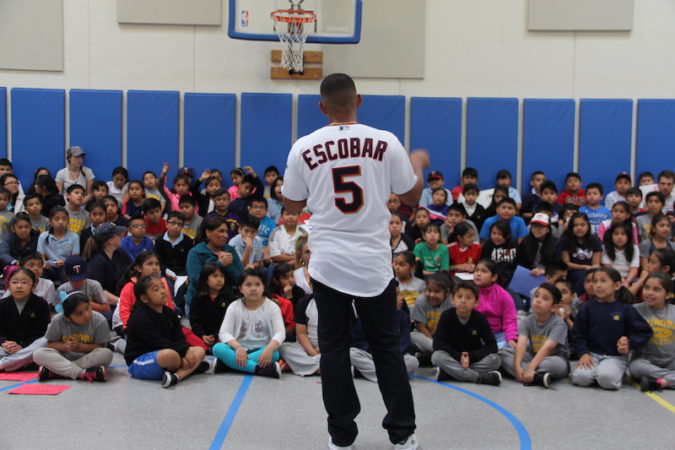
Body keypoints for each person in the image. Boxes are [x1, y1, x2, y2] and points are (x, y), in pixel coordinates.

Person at [281, 73, 426, 450]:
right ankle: (403, 433)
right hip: (373, 264)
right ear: (358, 100)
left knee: (333, 350)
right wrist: (417, 164)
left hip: (328, 264)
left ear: (321, 106)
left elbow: (292, 204)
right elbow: (411, 197)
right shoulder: (385, 141)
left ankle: (341, 437)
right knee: (386, 349)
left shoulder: (303, 146)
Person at [571, 268, 652, 390]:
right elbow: (578, 334)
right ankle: (600, 371)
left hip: (615, 356)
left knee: (606, 379)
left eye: (603, 281)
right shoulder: (587, 307)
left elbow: (645, 331)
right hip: (592, 355)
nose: (597, 285)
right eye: (595, 281)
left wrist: (630, 343)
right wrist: (583, 353)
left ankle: (614, 372)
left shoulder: (626, 309)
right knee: (580, 378)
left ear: (617, 285)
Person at [124, 274, 207, 388]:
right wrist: (183, 353)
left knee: (199, 350)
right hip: (140, 360)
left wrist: (185, 351)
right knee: (170, 355)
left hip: (168, 352)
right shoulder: (140, 317)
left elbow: (179, 336)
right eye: (156, 289)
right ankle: (191, 368)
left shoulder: (169, 313)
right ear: (144, 298)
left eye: (163, 287)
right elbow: (159, 343)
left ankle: (177, 376)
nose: (163, 291)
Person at [212, 269, 285, 378]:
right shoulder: (234, 306)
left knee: (274, 353)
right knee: (217, 348)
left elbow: (280, 333)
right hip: (238, 349)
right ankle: (258, 369)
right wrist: (238, 347)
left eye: (257, 284)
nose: (253, 288)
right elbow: (224, 333)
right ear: (241, 288)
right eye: (248, 285)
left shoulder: (272, 307)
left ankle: (228, 364)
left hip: (262, 349)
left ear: (263, 287)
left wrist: (269, 349)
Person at [499, 283, 570, 388]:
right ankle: (536, 377)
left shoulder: (559, 323)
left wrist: (530, 367)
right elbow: (521, 345)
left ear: (554, 308)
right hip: (532, 356)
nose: (538, 300)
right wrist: (517, 366)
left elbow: (547, 348)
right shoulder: (527, 321)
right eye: (536, 296)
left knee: (551, 364)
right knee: (502, 353)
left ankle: (527, 373)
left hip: (554, 358)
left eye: (545, 298)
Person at [432, 281, 502, 386]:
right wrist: (458, 356)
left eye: (468, 298)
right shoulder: (446, 316)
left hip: (472, 358)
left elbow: (492, 346)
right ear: (452, 299)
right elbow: (437, 343)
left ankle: (450, 374)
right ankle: (479, 377)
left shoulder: (480, 318)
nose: (463, 301)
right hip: (453, 356)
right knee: (436, 357)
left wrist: (471, 357)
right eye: (459, 297)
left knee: (495, 360)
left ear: (476, 302)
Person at [33, 292, 112, 382]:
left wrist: (80, 347)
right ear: (67, 317)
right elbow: (50, 344)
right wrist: (65, 347)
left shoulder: (100, 320)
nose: (86, 315)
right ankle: (81, 373)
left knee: (106, 354)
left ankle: (57, 371)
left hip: (86, 357)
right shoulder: (58, 320)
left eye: (88, 308)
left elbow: (100, 346)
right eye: (79, 313)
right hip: (63, 356)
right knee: (38, 354)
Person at [350, 285, 419, 381]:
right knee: (352, 353)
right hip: (371, 355)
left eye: (400, 294)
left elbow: (404, 343)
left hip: (393, 356)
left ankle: (362, 372)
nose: (401, 298)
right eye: (397, 295)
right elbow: (358, 341)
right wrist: (373, 350)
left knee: (413, 362)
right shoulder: (368, 315)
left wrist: (391, 354)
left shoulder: (403, 317)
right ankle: (390, 375)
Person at [630, 273, 675, 391]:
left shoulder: (673, 312)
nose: (649, 293)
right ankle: (670, 379)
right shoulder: (634, 310)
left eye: (656, 289)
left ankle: (662, 382)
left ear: (668, 294)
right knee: (635, 367)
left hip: (670, 359)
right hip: (644, 359)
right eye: (646, 288)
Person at [185, 216, 244, 306]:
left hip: (226, 301)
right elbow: (196, 281)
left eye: (226, 231)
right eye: (221, 231)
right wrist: (219, 264)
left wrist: (229, 265)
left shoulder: (230, 251)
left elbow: (240, 280)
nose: (225, 235)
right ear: (208, 232)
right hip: (199, 302)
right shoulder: (196, 252)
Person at [0, 267, 49, 371]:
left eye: (24, 282)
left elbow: (40, 333)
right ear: (8, 285)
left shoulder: (41, 304)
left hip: (28, 347)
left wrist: (21, 346)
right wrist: (4, 343)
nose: (19, 286)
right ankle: (19, 362)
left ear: (33, 286)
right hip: (6, 349)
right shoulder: (2, 304)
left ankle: (4, 363)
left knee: (45, 341)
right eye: (14, 282)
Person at [189, 263, 236, 351]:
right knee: (187, 335)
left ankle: (213, 348)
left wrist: (215, 335)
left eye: (222, 276)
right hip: (202, 335)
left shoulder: (229, 298)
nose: (219, 280)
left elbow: (227, 322)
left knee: (230, 340)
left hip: (221, 334)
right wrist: (202, 335)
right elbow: (194, 321)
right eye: (215, 276)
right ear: (205, 279)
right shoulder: (197, 298)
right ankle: (207, 348)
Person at [472, 259, 518, 349]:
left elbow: (510, 320)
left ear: (494, 277)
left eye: (483, 271)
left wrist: (511, 338)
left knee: (520, 343)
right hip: (474, 333)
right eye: (476, 270)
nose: (478, 274)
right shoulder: (469, 292)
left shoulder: (503, 295)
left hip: (497, 335)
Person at [84, 222, 132, 307]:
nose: (121, 236)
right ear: (110, 240)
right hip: (108, 304)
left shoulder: (120, 253)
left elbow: (132, 270)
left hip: (125, 296)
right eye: (118, 235)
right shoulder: (96, 263)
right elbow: (99, 291)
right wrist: (121, 302)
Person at [410, 272, 453, 357]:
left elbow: (451, 327)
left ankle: (430, 355)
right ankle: (440, 351)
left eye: (437, 291)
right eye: (429, 290)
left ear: (447, 292)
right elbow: (421, 326)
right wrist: (433, 342)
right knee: (412, 336)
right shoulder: (421, 301)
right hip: (426, 337)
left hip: (444, 338)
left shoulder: (451, 302)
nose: (432, 295)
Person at [558, 212, 602, 295]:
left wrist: (591, 269)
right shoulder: (565, 240)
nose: (579, 228)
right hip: (572, 271)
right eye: (576, 225)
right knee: (582, 276)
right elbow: (566, 264)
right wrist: (584, 267)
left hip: (592, 271)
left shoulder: (595, 240)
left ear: (588, 226)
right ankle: (578, 299)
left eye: (582, 225)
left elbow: (596, 264)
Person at [280, 293, 321, 376]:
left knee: (346, 352)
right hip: (306, 346)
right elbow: (301, 333)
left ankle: (302, 365)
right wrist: (313, 353)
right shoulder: (304, 302)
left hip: (329, 346)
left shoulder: (339, 303)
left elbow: (339, 333)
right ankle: (321, 368)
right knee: (284, 347)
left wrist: (321, 348)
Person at [37, 207, 80, 282]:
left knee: (65, 271)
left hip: (67, 265)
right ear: (50, 221)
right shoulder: (43, 236)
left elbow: (75, 257)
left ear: (68, 221)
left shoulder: (74, 237)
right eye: (57, 219)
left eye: (64, 219)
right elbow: (41, 256)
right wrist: (45, 263)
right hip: (49, 266)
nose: (60, 222)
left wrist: (65, 263)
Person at [154, 211, 194, 277]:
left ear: (183, 226)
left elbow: (189, 261)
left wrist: (185, 275)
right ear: (166, 224)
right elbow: (158, 260)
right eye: (173, 223)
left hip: (183, 274)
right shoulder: (160, 240)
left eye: (179, 224)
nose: (176, 226)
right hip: (165, 273)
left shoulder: (188, 241)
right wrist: (165, 271)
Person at [601, 222, 639, 287]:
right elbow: (608, 268)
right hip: (611, 276)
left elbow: (634, 269)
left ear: (628, 236)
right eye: (616, 234)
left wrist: (627, 281)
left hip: (629, 277)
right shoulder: (605, 248)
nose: (619, 237)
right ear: (611, 236)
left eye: (623, 234)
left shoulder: (634, 248)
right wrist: (621, 280)